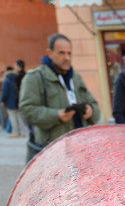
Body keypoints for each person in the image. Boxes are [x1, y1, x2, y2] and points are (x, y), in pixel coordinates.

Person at [19, 33, 100, 162]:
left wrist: (91, 110)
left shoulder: (76, 77)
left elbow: (94, 106)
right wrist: (57, 115)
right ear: (50, 53)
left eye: (69, 53)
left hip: (80, 149)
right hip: (52, 152)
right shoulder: (35, 78)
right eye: (61, 53)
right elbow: (27, 110)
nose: (67, 57)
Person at [0, 64, 24, 137]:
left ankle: (15, 131)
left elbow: (5, 92)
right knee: (20, 117)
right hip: (18, 101)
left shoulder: (6, 80)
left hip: (10, 102)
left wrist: (3, 100)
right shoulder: (16, 78)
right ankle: (23, 132)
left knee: (13, 117)